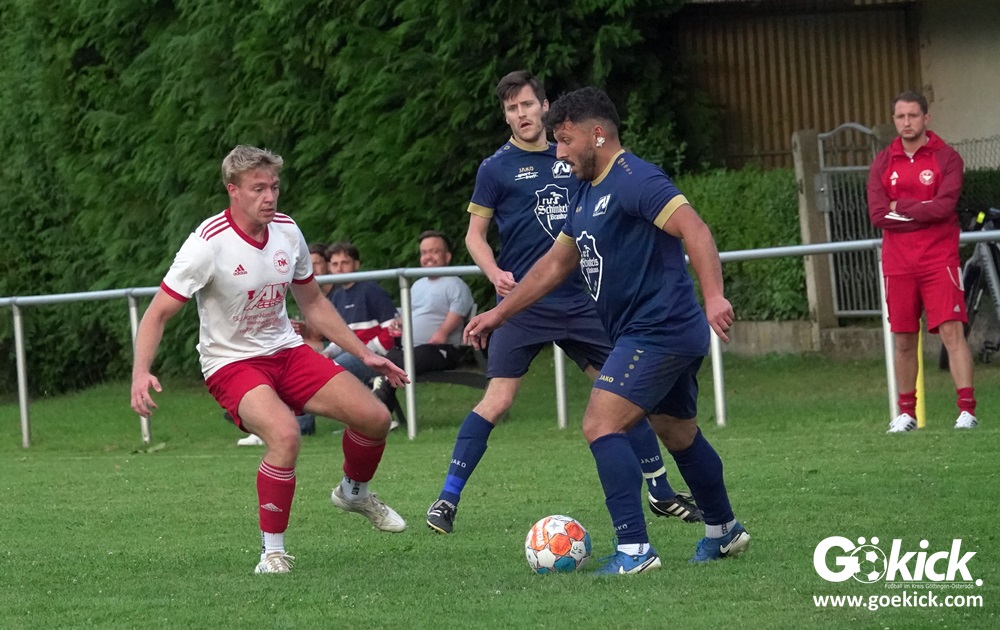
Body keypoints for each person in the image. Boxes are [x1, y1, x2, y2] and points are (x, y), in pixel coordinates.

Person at [464, 87, 750, 573]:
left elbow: (695, 229)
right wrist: (499, 313)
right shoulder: (585, 189)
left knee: (600, 423)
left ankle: (635, 550)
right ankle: (724, 531)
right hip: (651, 331)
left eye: (565, 140)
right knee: (677, 431)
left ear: (597, 134)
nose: (559, 152)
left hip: (657, 329)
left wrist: (715, 296)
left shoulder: (637, 179)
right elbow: (554, 265)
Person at [424, 71, 702, 538]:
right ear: (505, 116)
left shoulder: (577, 155)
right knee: (498, 399)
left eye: (527, 104)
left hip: (581, 300)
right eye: (511, 108)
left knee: (620, 394)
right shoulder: (495, 168)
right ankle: (447, 498)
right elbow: (474, 236)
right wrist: (493, 272)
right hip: (523, 302)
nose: (521, 114)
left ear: (545, 106)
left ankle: (659, 491)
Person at [130, 145, 409, 575]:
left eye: (274, 187)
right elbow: (157, 313)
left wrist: (363, 353)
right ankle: (272, 553)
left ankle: (354, 493)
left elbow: (313, 303)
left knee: (374, 417)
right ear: (233, 191)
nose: (269, 197)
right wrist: (140, 372)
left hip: (287, 352)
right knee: (285, 435)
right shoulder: (207, 244)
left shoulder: (287, 231)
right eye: (258, 188)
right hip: (231, 363)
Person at [867, 90, 977, 432]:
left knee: (951, 332)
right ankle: (906, 414)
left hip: (938, 258)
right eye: (901, 116)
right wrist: (922, 213)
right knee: (903, 338)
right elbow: (878, 215)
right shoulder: (883, 162)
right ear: (894, 120)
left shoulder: (947, 158)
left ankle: (967, 411)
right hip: (898, 263)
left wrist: (901, 208)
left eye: (913, 115)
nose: (907, 122)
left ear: (926, 118)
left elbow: (944, 208)